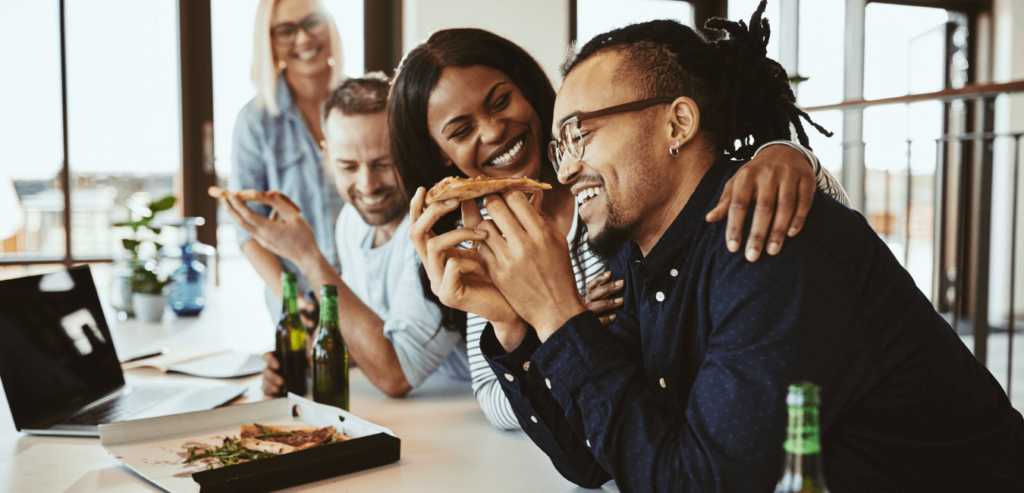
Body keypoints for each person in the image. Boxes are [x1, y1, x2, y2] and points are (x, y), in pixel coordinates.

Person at [414, 6, 1024, 492]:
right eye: (560, 147)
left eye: (581, 134)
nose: (567, 168)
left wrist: (559, 315)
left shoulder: (766, 239)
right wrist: (514, 323)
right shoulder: (644, 256)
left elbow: (696, 483)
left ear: (678, 124)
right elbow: (594, 461)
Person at [394, 28, 847, 431]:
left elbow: (780, 205)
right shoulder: (489, 243)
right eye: (461, 129)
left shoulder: (628, 190)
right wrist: (547, 326)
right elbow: (498, 402)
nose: (493, 130)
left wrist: (786, 151)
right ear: (441, 156)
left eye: (500, 101)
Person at [224, 75, 469, 398]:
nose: (367, 186)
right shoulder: (351, 222)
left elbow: (395, 374)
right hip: (426, 405)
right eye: (348, 166)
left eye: (383, 163)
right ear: (327, 156)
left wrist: (308, 257)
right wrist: (304, 358)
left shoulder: (439, 225)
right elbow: (364, 334)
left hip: (470, 406)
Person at [229, 0, 347, 327]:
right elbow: (248, 229)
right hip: (302, 302)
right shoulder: (255, 122)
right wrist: (290, 296)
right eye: (286, 30)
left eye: (313, 22)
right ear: (269, 40)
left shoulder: (365, 105)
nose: (304, 39)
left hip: (368, 296)